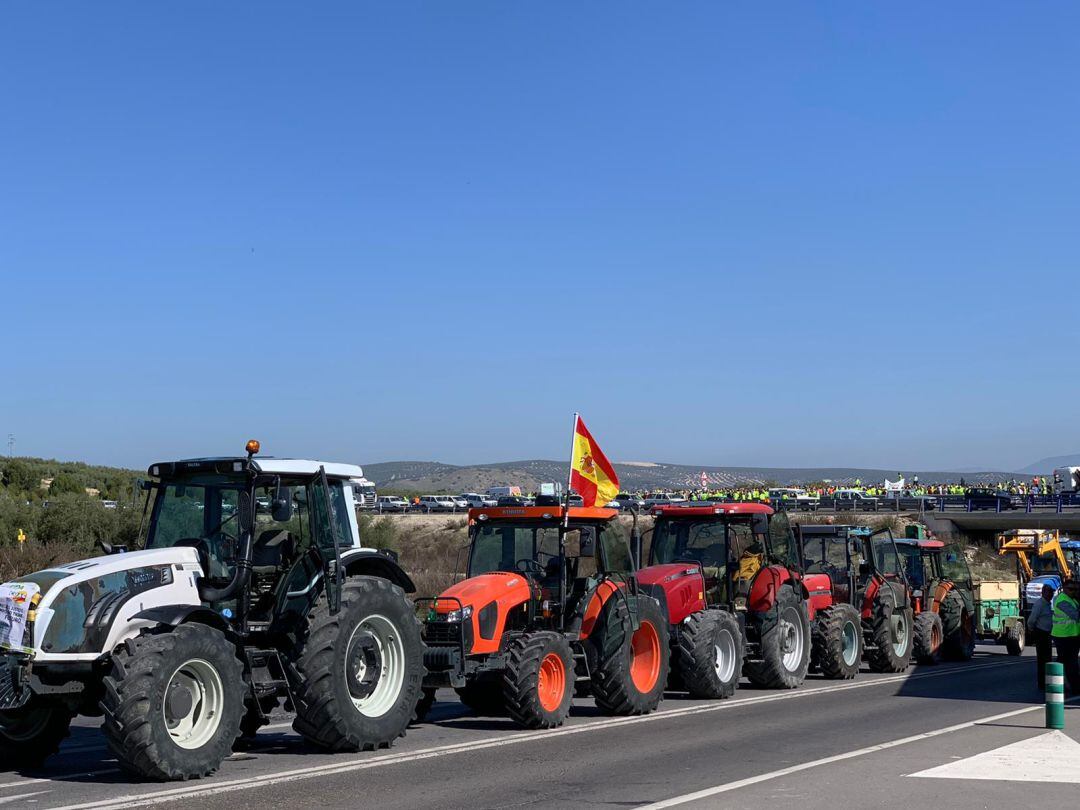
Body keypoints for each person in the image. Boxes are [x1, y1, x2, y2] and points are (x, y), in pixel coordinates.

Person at [1051, 579, 1080, 694]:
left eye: (1075, 589)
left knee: (1070, 662)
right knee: (1068, 662)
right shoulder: (1062, 600)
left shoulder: (1072, 600)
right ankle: (1070, 685)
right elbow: (1075, 616)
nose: (1073, 591)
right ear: (1064, 589)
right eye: (1071, 589)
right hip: (1062, 636)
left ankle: (1067, 684)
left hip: (1072, 635)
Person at [1028, 583, 1055, 690]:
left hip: (1047, 634)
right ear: (1043, 593)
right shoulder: (1040, 604)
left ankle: (1046, 682)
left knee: (1047, 659)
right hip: (1041, 634)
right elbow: (1031, 619)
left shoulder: (1047, 604)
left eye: (1052, 592)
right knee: (1042, 660)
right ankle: (1042, 684)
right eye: (1049, 592)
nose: (1051, 594)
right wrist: (1031, 630)